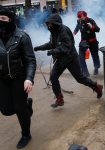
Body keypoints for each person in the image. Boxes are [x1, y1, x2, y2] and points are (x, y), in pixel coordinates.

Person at [34, 14, 103, 108]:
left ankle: (96, 86)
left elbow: (67, 46)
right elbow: (51, 44)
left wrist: (53, 51)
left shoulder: (64, 30)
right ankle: (59, 99)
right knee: (53, 77)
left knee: (80, 79)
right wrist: (39, 48)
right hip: (61, 59)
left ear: (55, 23)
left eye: (50, 23)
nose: (48, 25)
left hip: (70, 58)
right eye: (48, 24)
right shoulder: (53, 31)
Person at [0, 6, 36, 149]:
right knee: (7, 110)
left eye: (3, 18)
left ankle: (26, 134)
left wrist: (29, 78)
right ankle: (27, 105)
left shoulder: (22, 36)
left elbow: (30, 60)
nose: (0, 21)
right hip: (2, 78)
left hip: (19, 78)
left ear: (10, 20)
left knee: (20, 109)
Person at [73, 10, 100, 76]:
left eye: (80, 16)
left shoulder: (90, 20)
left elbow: (98, 29)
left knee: (95, 56)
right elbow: (77, 28)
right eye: (78, 16)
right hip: (83, 43)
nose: (79, 18)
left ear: (85, 16)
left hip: (92, 42)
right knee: (81, 58)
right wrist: (73, 34)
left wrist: (92, 27)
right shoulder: (79, 21)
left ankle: (96, 67)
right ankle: (85, 72)